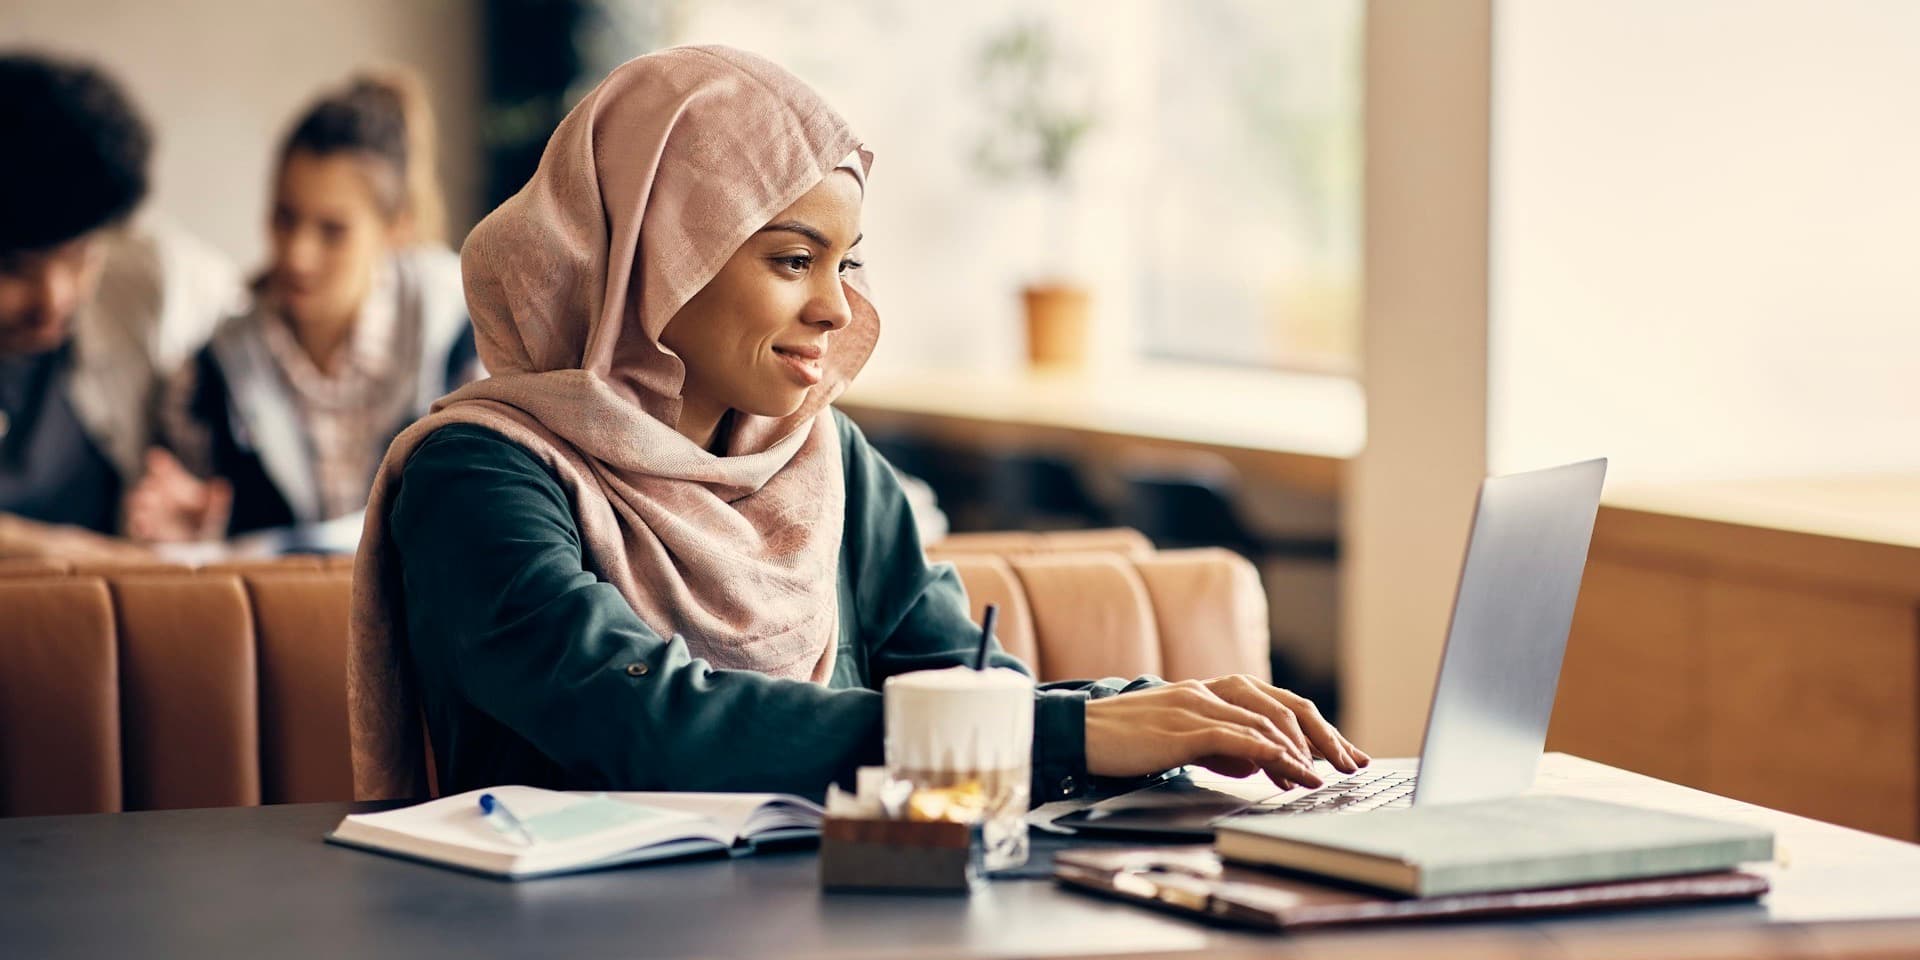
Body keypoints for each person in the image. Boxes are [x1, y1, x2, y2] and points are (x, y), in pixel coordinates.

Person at [347, 46, 1367, 805]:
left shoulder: (829, 466)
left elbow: (972, 690)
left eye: (848, 262)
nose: (837, 309)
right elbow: (642, 722)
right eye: (793, 260)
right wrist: (1079, 729)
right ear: (654, 257)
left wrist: (1160, 712)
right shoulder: (480, 477)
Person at [126, 70, 477, 556]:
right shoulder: (206, 376)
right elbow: (188, 551)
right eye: (284, 218)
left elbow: (474, 512)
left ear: (397, 229)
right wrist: (192, 525)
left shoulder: (462, 332)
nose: (296, 255)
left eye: (332, 231)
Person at [0, 52, 241, 560]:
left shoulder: (148, 281)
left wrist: (192, 514)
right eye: (17, 269)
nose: (54, 298)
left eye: (78, 257)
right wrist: (66, 555)